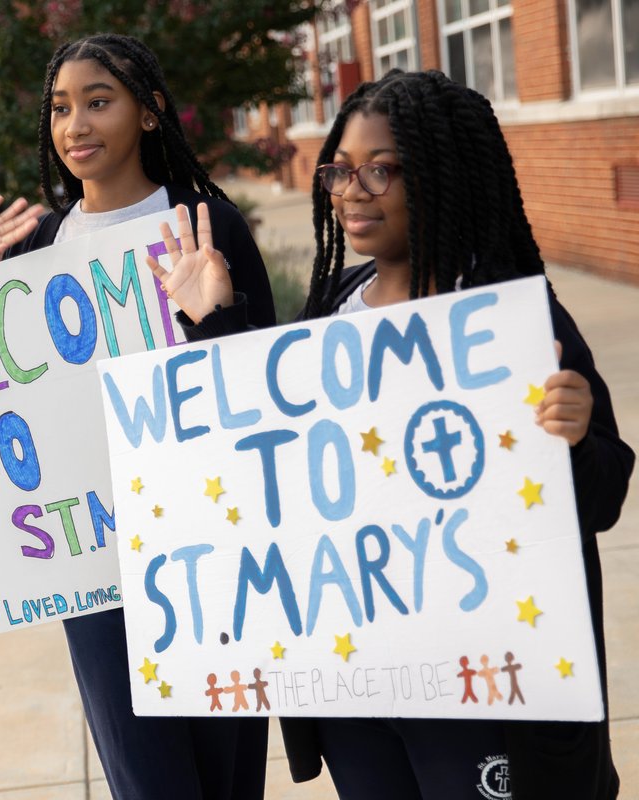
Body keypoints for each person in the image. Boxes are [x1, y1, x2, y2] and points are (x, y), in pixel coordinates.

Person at [152, 70, 634, 800]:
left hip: (484, 690)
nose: (352, 190)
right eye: (341, 169)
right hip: (360, 685)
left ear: (444, 174)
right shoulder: (335, 311)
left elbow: (602, 497)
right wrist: (211, 322)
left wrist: (570, 439)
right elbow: (270, 455)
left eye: (381, 169)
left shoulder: (509, 318)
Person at [0, 33, 275, 800]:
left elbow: (263, 382)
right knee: (144, 775)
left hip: (213, 544)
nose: (74, 125)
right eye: (59, 108)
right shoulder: (39, 243)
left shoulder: (206, 223)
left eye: (98, 101)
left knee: (226, 774)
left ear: (150, 113)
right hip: (95, 557)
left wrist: (212, 316)